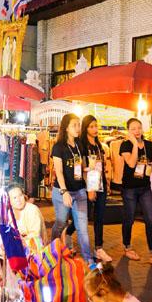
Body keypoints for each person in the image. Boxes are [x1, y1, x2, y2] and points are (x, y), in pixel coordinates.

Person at [120, 118, 152, 267]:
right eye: (133, 128)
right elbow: (132, 163)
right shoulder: (125, 145)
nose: (137, 131)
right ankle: (127, 247)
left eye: (139, 128)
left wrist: (151, 165)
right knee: (129, 219)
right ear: (128, 130)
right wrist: (134, 144)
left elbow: (147, 161)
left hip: (145, 187)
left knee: (150, 219)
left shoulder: (149, 145)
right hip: (129, 188)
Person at [51, 113, 93, 267]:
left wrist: (89, 170)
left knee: (82, 227)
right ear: (66, 127)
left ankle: (89, 260)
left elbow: (81, 168)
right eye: (74, 125)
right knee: (61, 223)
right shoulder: (58, 147)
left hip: (80, 190)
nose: (78, 128)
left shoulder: (79, 145)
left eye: (79, 124)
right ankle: (52, 251)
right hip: (62, 192)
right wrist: (64, 192)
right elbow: (59, 172)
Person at [80, 115, 113, 264]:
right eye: (91, 126)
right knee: (82, 217)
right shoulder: (82, 145)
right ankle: (66, 234)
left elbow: (103, 166)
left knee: (100, 217)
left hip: (100, 184)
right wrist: (89, 188)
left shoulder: (100, 145)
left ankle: (99, 248)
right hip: (89, 185)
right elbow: (83, 169)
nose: (95, 129)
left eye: (96, 126)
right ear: (85, 128)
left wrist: (107, 182)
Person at [0, 184, 45, 257]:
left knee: (10, 249)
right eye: (14, 198)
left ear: (24, 196)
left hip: (34, 244)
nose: (18, 200)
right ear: (9, 201)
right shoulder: (10, 212)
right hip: (18, 242)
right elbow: (9, 232)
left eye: (20, 195)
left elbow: (36, 235)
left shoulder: (32, 209)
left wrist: (15, 242)